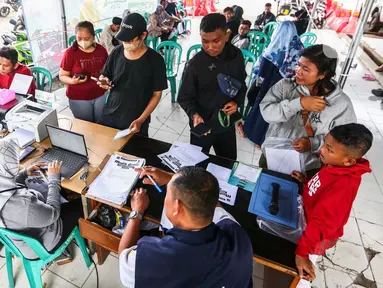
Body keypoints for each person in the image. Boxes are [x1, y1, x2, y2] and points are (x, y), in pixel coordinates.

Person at [118, 166, 253, 287]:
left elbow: (123, 260)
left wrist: (137, 211)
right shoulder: (236, 233)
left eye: (168, 194)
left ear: (177, 206)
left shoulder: (158, 257)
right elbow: (211, 200)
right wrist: (171, 179)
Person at [290, 123, 372, 287]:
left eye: (329, 149)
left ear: (348, 161)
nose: (322, 150)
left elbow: (322, 224)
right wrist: (306, 182)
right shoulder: (336, 164)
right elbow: (322, 187)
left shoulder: (343, 186)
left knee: (301, 273)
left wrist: (302, 252)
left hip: (314, 235)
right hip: (308, 218)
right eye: (325, 145)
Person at [259, 44, 357, 176]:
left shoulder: (340, 103)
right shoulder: (286, 86)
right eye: (298, 64)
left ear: (323, 74)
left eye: (305, 69)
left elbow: (344, 141)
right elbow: (267, 113)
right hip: (272, 155)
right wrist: (298, 104)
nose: (297, 71)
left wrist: (313, 143)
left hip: (308, 167)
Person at [0, 138, 84, 260]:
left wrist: (24, 173)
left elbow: (8, 187)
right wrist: (54, 179)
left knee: (59, 194)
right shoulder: (21, 205)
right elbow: (53, 214)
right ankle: (89, 240)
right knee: (81, 204)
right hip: (40, 247)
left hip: (24, 236)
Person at [178, 13, 246, 160]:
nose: (210, 47)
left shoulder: (236, 56)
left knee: (228, 163)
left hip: (225, 123)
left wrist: (237, 102)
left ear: (227, 35)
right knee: (197, 166)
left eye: (216, 41)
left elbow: (241, 84)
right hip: (202, 126)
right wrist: (193, 114)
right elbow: (184, 98)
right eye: (205, 41)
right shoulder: (195, 64)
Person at [98, 13, 167, 137]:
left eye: (130, 40)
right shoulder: (116, 52)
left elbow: (156, 95)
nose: (125, 43)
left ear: (143, 35)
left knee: (135, 153)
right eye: (123, 39)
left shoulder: (155, 60)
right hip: (110, 114)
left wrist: (141, 120)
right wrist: (103, 81)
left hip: (136, 121)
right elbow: (105, 75)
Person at [239, 21, 304, 147]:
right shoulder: (300, 50)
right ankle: (266, 140)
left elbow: (262, 71)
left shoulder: (274, 48)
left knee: (262, 109)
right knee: (279, 114)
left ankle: (256, 138)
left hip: (269, 86)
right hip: (290, 90)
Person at [59, 21, 108, 123]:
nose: (82, 41)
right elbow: (62, 75)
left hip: (100, 95)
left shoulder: (101, 50)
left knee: (101, 124)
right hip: (79, 97)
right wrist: (73, 81)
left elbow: (107, 70)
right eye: (79, 39)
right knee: (86, 126)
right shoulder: (70, 53)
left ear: (93, 37)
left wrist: (105, 78)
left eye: (86, 39)